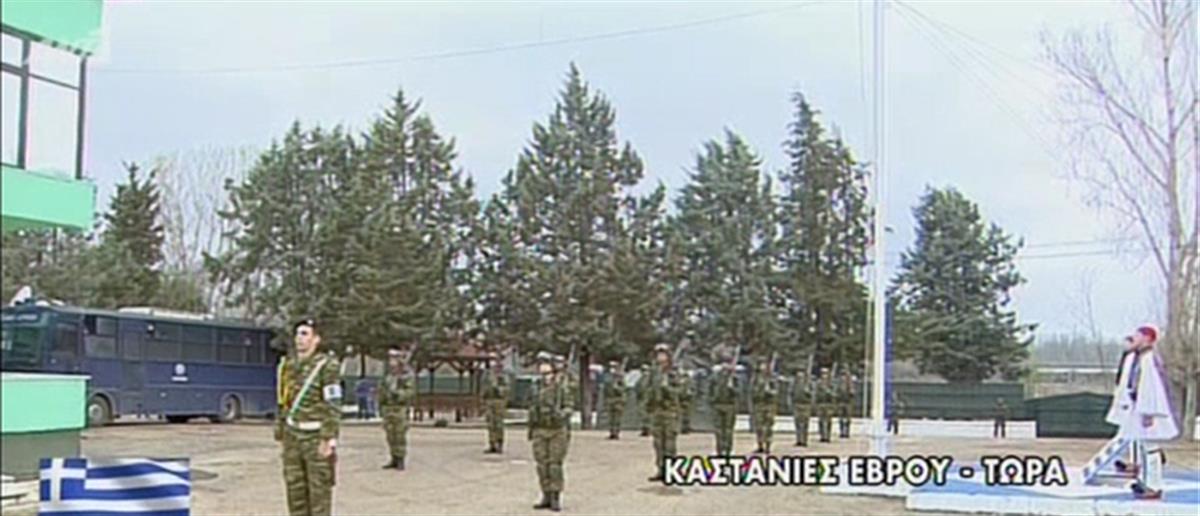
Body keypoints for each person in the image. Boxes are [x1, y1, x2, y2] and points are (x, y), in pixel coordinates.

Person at [276, 319, 341, 516]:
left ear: (316, 339)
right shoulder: (289, 365)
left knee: (319, 494)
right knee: (295, 492)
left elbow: (332, 404)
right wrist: (281, 431)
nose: (299, 339)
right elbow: (284, 400)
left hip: (315, 436)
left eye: (305, 334)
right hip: (293, 435)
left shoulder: (326, 366)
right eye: (297, 334)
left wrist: (328, 438)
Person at [1118, 325, 1178, 500]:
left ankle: (1153, 485)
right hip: (1140, 407)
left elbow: (1150, 387)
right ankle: (1146, 481)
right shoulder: (1141, 357)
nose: (1134, 339)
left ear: (1147, 338)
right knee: (1145, 447)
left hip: (1147, 410)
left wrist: (1148, 411)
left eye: (1138, 336)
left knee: (1151, 448)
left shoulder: (1149, 360)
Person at [529, 353, 573, 512]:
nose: (545, 377)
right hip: (540, 429)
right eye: (542, 373)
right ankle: (545, 494)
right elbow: (532, 408)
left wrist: (560, 414)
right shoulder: (536, 388)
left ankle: (555, 495)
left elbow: (569, 407)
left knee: (554, 464)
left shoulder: (562, 389)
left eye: (547, 373)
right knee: (542, 465)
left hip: (557, 430)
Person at [646, 344, 683, 481]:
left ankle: (671, 470)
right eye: (658, 354)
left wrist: (668, 389)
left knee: (669, 443)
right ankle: (661, 469)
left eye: (663, 354)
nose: (660, 357)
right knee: (658, 443)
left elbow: (682, 392)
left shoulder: (674, 372)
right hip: (657, 410)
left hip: (670, 411)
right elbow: (649, 388)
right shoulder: (654, 372)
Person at [379, 346, 415, 470]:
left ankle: (400, 458)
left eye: (394, 358)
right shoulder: (388, 375)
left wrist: (398, 394)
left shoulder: (406, 375)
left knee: (399, 434)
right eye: (390, 358)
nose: (391, 361)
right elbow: (382, 389)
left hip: (399, 408)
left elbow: (410, 392)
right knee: (390, 434)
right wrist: (381, 402)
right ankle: (393, 457)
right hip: (388, 408)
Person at [1109, 335, 1141, 475]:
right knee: (1126, 432)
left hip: (1133, 399)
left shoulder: (1139, 358)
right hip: (1125, 398)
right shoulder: (1127, 357)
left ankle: (1135, 462)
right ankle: (1128, 461)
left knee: (1132, 433)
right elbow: (1122, 377)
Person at [709, 359, 739, 457]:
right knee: (718, 429)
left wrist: (732, 388)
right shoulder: (715, 377)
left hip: (730, 405)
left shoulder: (734, 378)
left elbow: (739, 392)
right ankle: (719, 449)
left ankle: (728, 449)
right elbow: (710, 388)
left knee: (728, 429)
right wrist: (712, 399)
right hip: (717, 405)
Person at [482, 358, 511, 454]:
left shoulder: (503, 377)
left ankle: (499, 444)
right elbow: (484, 388)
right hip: (489, 401)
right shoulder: (488, 376)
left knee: (498, 424)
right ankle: (492, 444)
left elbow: (507, 389)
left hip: (499, 401)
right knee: (490, 424)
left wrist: (498, 388)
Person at [751, 359, 778, 454]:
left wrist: (769, 391)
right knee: (759, 426)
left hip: (769, 405)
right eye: (761, 365)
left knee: (768, 426)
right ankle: (760, 445)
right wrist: (759, 391)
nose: (763, 367)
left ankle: (768, 445)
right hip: (759, 404)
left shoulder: (772, 379)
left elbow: (776, 392)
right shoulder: (756, 379)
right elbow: (752, 391)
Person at [603, 361, 627, 440]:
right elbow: (606, 390)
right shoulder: (609, 378)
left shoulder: (620, 378)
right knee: (610, 418)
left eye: (614, 367)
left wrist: (617, 388)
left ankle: (616, 432)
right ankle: (612, 432)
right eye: (611, 367)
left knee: (617, 418)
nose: (612, 369)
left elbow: (624, 390)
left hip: (618, 400)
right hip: (610, 400)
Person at [791, 369, 812, 447]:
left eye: (801, 376)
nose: (800, 378)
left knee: (805, 423)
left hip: (805, 405)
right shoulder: (794, 385)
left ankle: (804, 440)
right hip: (797, 404)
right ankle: (799, 440)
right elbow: (791, 394)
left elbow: (813, 394)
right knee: (797, 423)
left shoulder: (808, 384)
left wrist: (808, 392)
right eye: (798, 377)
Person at [816, 368, 835, 443]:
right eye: (823, 373)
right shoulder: (818, 383)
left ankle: (827, 436)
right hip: (821, 403)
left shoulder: (831, 383)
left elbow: (835, 394)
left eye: (826, 373)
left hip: (828, 403)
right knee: (821, 421)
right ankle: (822, 435)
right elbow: (816, 393)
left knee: (828, 421)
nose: (824, 375)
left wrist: (829, 392)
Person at [837, 371, 855, 439]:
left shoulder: (850, 384)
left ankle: (847, 432)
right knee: (841, 419)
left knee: (848, 419)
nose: (843, 377)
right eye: (842, 376)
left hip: (848, 402)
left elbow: (852, 393)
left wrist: (851, 391)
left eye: (844, 376)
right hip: (841, 402)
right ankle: (841, 432)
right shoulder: (839, 384)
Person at [636, 363, 652, 437]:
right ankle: (644, 429)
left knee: (647, 415)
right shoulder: (641, 378)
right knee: (642, 414)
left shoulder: (649, 379)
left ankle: (648, 429)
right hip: (642, 398)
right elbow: (638, 387)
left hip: (647, 398)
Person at [678, 368, 695, 434]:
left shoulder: (689, 381)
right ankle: (682, 428)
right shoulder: (679, 380)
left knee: (686, 415)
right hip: (680, 399)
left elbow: (692, 390)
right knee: (682, 415)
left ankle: (686, 428)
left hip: (687, 400)